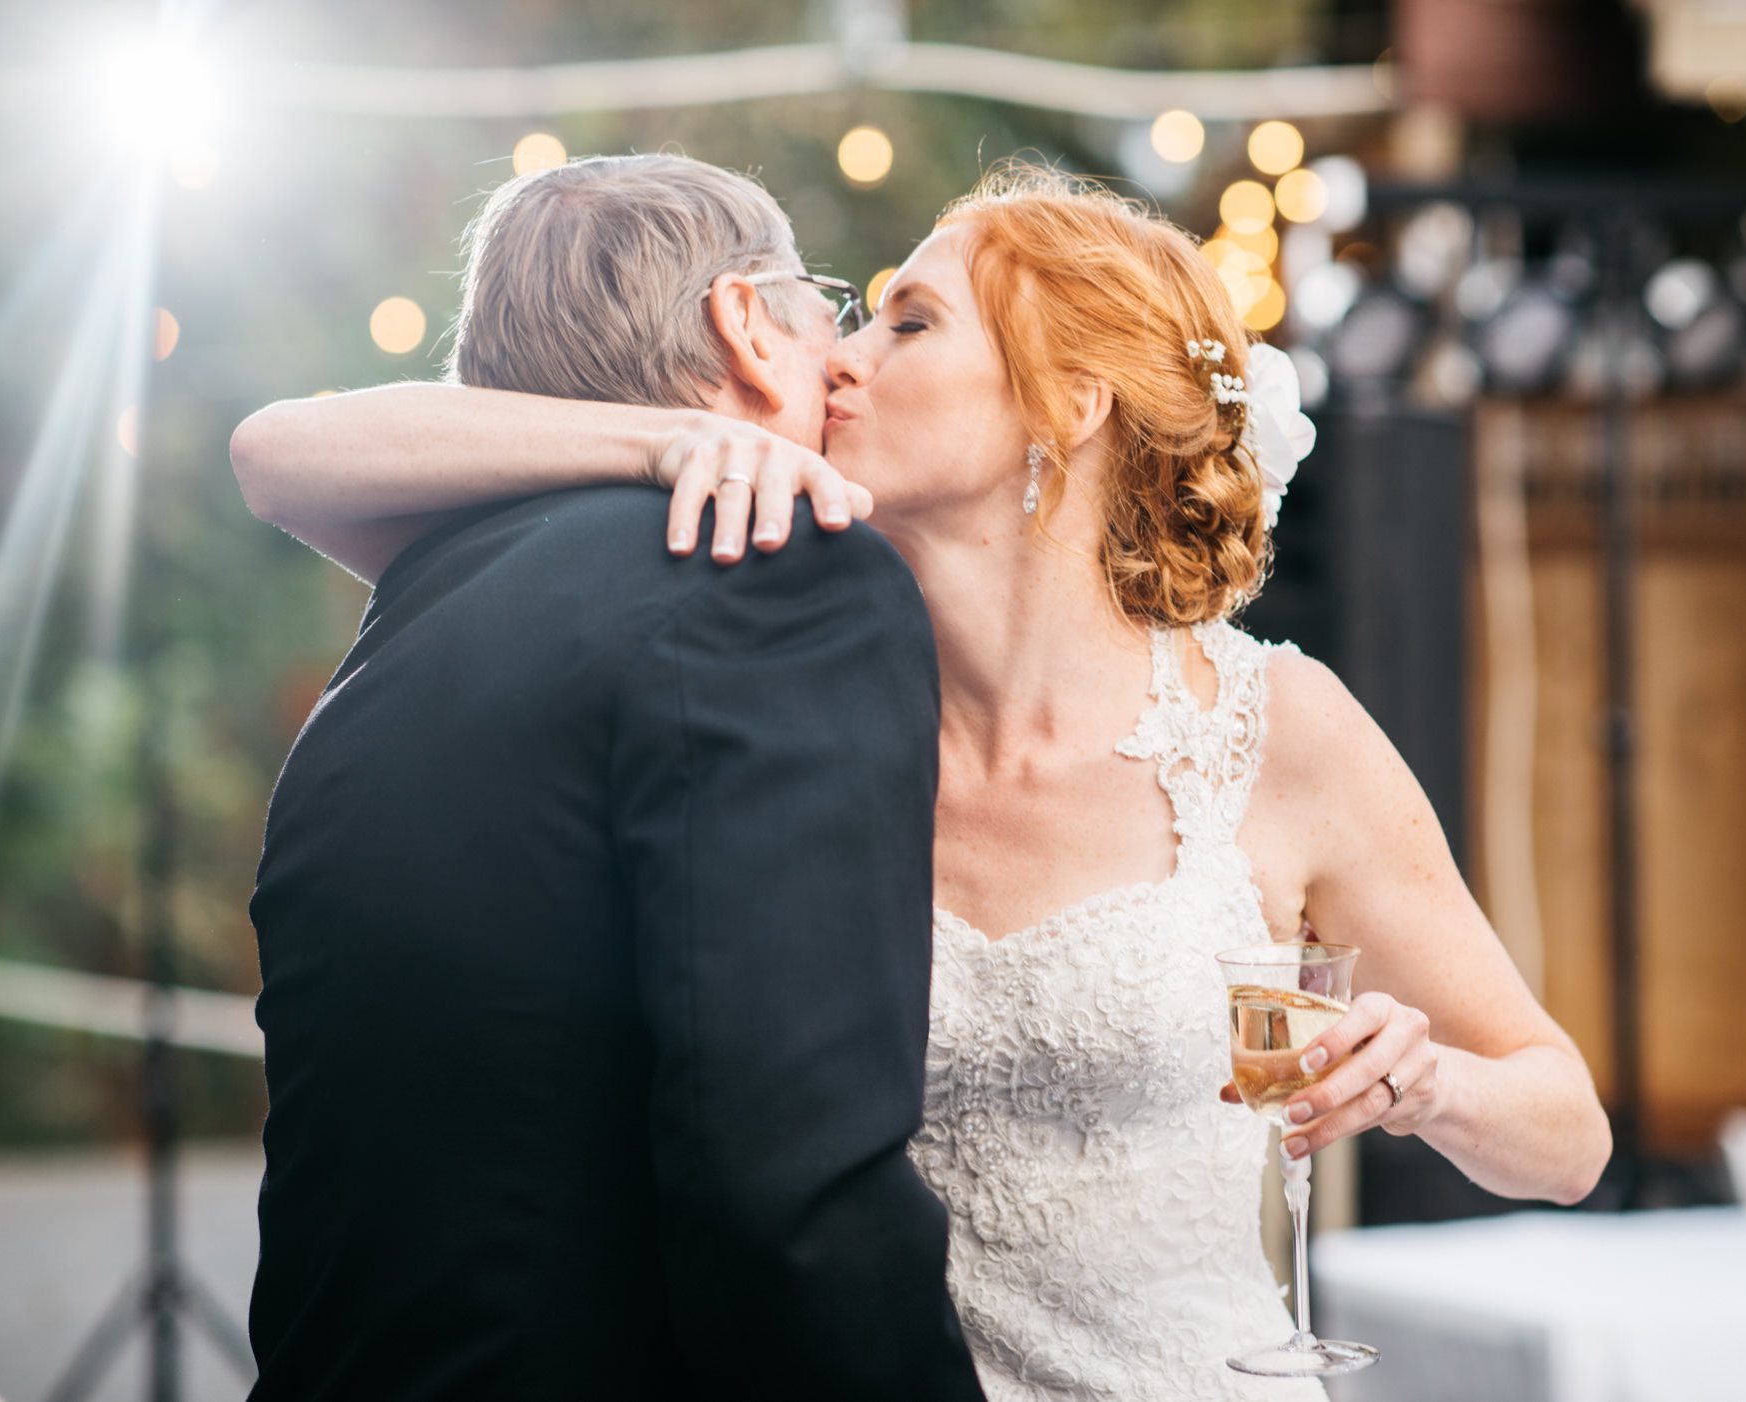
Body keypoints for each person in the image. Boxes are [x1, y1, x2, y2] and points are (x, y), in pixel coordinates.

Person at [234, 156, 1613, 1401]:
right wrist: (651, 439)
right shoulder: (784, 674)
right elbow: (289, 451)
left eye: (907, 321)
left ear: (1066, 404)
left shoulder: (1279, 724)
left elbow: (1569, 1136)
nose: (837, 358)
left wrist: (1426, 1082)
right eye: (854, 314)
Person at [241, 155, 983, 1400]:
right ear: (747, 321)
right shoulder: (769, 573)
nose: (846, 357)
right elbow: (793, 1187)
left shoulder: (417, 602)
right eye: (828, 306)